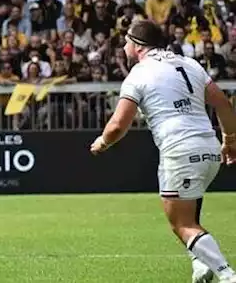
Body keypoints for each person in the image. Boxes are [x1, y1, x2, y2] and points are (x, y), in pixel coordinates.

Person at [92, 18, 236, 283]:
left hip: (179, 151)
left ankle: (227, 275)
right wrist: (230, 140)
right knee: (189, 209)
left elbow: (117, 126)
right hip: (210, 148)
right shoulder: (189, 63)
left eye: (126, 41)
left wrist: (101, 142)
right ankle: (200, 263)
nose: (123, 45)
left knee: (182, 224)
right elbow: (224, 104)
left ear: (137, 45)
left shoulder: (139, 74)